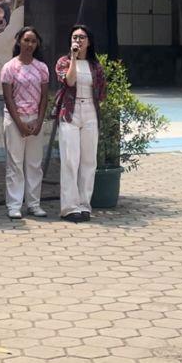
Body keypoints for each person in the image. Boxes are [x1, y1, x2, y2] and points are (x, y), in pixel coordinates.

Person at [54, 26, 106, 222]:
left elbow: (102, 91)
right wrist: (74, 58)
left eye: (82, 37)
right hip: (70, 112)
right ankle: (69, 207)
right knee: (70, 160)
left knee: (88, 161)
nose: (78, 40)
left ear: (89, 42)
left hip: (90, 111)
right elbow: (69, 81)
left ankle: (84, 205)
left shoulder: (95, 65)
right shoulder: (64, 62)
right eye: (75, 37)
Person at [0, 27, 50, 219]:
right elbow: (8, 98)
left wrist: (39, 122)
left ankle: (34, 204)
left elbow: (44, 97)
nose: (29, 44)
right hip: (15, 121)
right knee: (15, 164)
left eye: (33, 41)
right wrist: (19, 124)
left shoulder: (42, 68)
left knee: (34, 164)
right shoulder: (9, 67)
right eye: (26, 40)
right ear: (19, 41)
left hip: (35, 120)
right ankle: (14, 205)